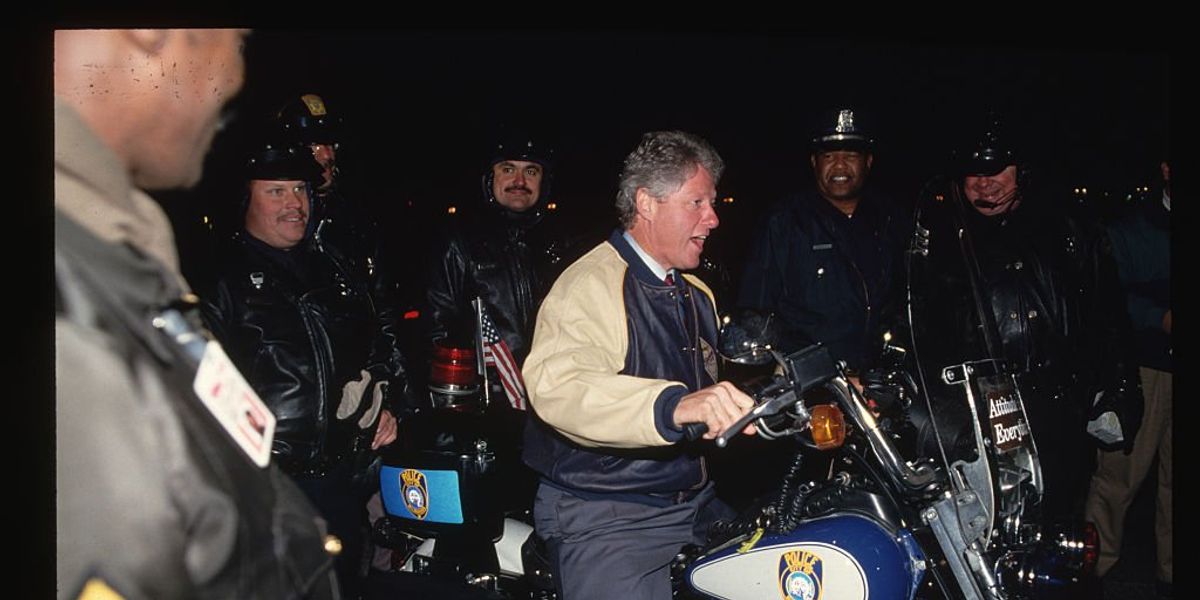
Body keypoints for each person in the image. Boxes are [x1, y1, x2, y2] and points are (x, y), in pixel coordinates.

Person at [55, 29, 337, 598]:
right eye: (236, 40)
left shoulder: (118, 249)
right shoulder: (74, 277)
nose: (233, 78)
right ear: (152, 33)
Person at [521, 130, 756, 599]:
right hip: (608, 515)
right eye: (697, 203)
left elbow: (716, 388)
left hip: (693, 503)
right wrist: (674, 406)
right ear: (647, 203)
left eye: (712, 204)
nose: (713, 218)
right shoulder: (591, 285)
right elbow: (560, 387)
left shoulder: (696, 294)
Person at [905, 113, 1143, 523]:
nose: (985, 183)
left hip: (1056, 406)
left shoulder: (1068, 228)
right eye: (973, 173)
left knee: (1054, 518)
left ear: (1021, 170)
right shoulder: (940, 236)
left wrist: (1120, 389)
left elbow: (1108, 314)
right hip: (971, 415)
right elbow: (915, 321)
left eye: (997, 169)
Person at [202, 142, 409, 599]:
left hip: (339, 481)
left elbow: (379, 339)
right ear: (245, 199)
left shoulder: (333, 268)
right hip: (266, 486)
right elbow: (197, 388)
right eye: (276, 191)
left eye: (300, 189)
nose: (294, 203)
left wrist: (385, 399)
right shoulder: (218, 277)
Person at [738, 107, 906, 370]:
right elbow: (755, 314)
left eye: (851, 155)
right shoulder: (783, 222)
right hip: (809, 381)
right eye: (829, 156)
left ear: (868, 162)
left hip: (883, 376)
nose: (839, 165)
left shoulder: (891, 219)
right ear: (814, 162)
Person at [426, 128, 573, 399]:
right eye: (508, 169)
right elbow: (438, 327)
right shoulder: (461, 241)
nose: (519, 181)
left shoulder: (564, 243)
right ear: (490, 178)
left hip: (554, 394)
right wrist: (454, 401)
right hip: (485, 398)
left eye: (531, 171)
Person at [1085, 159, 1171, 597]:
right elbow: (1103, 297)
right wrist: (1159, 317)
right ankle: (1091, 572)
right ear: (1167, 170)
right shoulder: (1130, 229)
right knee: (1119, 478)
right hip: (1144, 368)